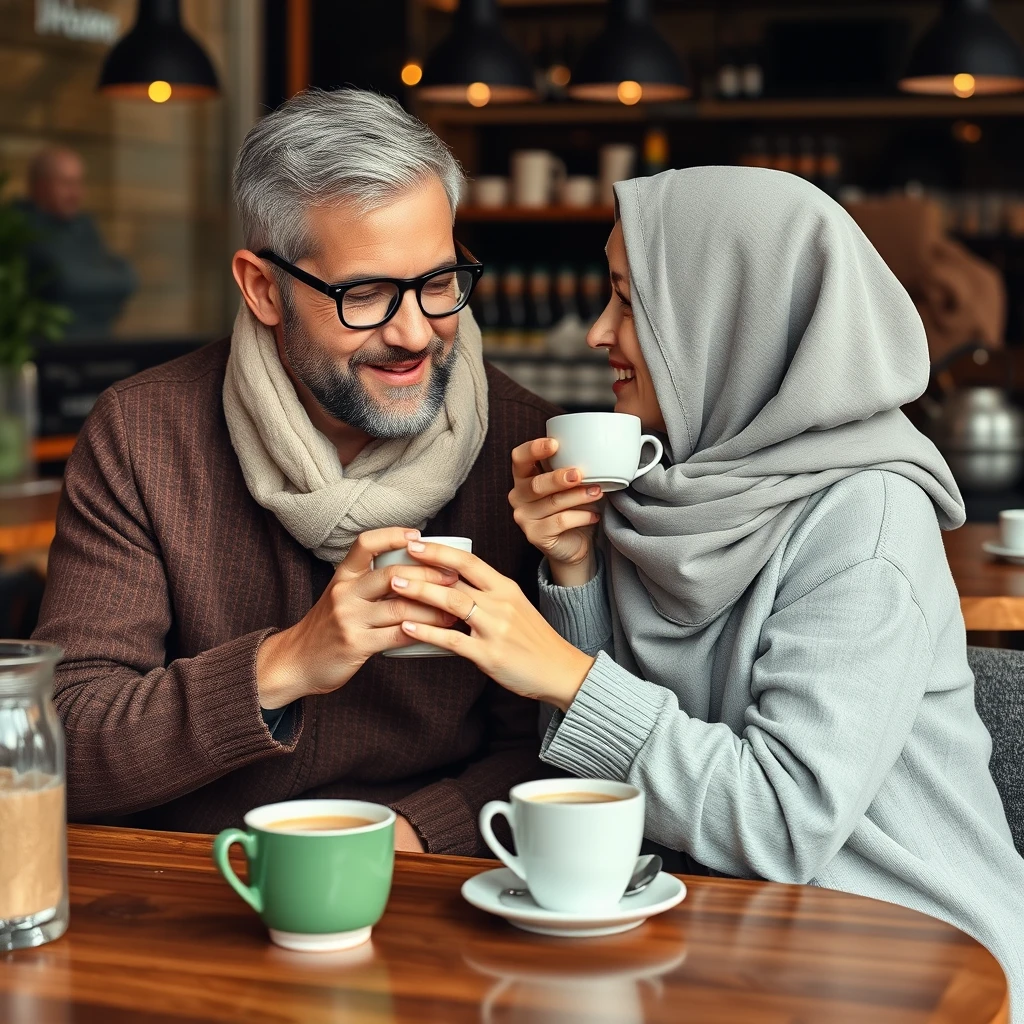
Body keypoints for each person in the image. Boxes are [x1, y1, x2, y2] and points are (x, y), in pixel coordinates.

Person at [383, 166, 1024, 1011]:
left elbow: (779, 821)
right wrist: (573, 572)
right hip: (720, 936)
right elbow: (607, 776)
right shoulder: (674, 489)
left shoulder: (866, 520)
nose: (597, 334)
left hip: (901, 958)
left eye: (626, 300)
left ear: (725, 316)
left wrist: (563, 673)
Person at [32, 88, 557, 854]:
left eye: (439, 282)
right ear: (261, 287)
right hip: (195, 884)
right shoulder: (144, 434)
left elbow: (549, 746)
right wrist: (286, 663)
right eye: (366, 294)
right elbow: (68, 743)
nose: (416, 333)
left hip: (431, 888)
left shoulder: (523, 442)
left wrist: (407, 840)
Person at [17, 146, 136, 338]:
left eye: (79, 183)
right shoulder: (20, 226)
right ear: (40, 186)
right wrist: (101, 291)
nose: (76, 194)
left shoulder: (83, 225)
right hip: (50, 351)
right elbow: (66, 280)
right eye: (66, 184)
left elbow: (127, 278)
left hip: (100, 342)